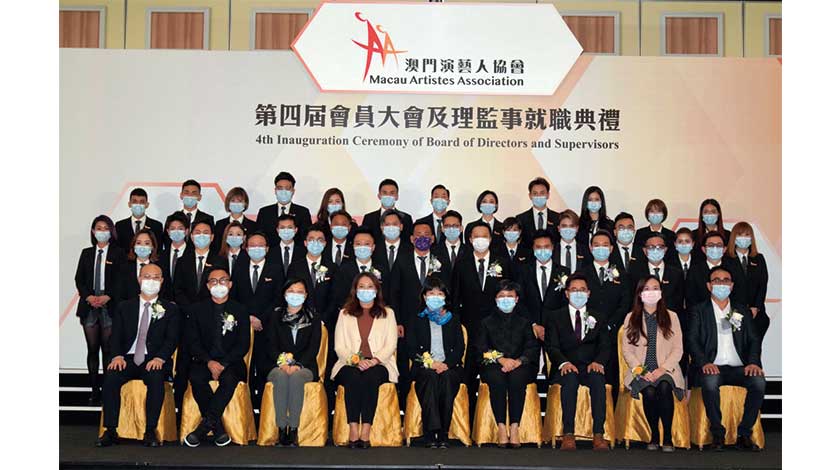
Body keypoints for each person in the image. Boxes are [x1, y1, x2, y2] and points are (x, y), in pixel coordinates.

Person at [97, 264, 180, 448]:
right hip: (127, 358)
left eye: (156, 277)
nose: (151, 281)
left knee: (156, 379)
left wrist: (160, 358)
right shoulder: (124, 306)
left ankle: (150, 430)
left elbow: (172, 339)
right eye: (147, 277)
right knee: (111, 378)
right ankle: (110, 430)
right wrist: (117, 356)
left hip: (154, 359)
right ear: (139, 279)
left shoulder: (170, 308)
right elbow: (115, 336)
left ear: (162, 281)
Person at [687, 266, 765, 452]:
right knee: (710, 381)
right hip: (711, 366)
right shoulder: (699, 310)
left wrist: (753, 362)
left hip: (739, 368)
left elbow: (754, 339)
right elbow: (692, 340)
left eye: (726, 280)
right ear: (709, 285)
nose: (721, 284)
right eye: (717, 280)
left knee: (758, 382)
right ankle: (717, 433)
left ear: (731, 285)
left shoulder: (741, 310)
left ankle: (744, 434)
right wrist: (704, 362)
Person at [183, 268, 250, 448]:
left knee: (229, 379)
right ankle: (217, 429)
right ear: (207, 286)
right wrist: (209, 362)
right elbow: (193, 342)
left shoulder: (240, 310)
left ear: (230, 284)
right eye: (213, 281)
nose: (218, 284)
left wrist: (223, 363)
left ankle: (203, 428)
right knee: (196, 378)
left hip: (231, 362)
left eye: (223, 280)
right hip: (204, 361)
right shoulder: (196, 310)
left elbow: (243, 344)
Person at [331, 272, 399, 448]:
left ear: (376, 290)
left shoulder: (388, 313)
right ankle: (353, 428)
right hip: (349, 362)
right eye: (361, 286)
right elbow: (339, 346)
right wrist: (355, 361)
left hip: (380, 363)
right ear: (355, 290)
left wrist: (374, 360)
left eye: (370, 287)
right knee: (353, 377)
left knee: (370, 377)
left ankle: (366, 430)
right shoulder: (344, 313)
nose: (366, 290)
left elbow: (391, 344)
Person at [544, 273, 610, 451]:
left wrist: (598, 362)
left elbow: (605, 346)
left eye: (582, 290)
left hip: (590, 366)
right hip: (566, 367)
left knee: (598, 380)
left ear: (588, 293)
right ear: (566, 293)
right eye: (574, 290)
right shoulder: (555, 317)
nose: (578, 293)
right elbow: (552, 346)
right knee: (570, 380)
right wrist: (564, 363)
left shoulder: (599, 317)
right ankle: (568, 434)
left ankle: (598, 434)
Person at [450, 222, 511, 414]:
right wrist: (457, 325)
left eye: (484, 236)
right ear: (470, 239)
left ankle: (492, 420)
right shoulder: (462, 264)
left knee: (494, 375)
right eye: (476, 236)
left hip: (497, 329)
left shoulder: (503, 262)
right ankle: (468, 418)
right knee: (467, 377)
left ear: (491, 239)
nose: (480, 240)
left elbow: (509, 295)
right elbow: (455, 298)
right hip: (469, 328)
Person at [621, 275, 685, 452]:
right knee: (649, 391)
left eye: (655, 288)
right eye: (647, 289)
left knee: (664, 386)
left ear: (661, 292)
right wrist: (641, 371)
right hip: (640, 370)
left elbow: (678, 349)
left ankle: (668, 436)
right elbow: (627, 351)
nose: (651, 292)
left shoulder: (672, 317)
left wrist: (662, 369)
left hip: (666, 369)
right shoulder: (631, 318)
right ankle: (654, 434)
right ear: (639, 293)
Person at [475, 280, 539, 448]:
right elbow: (481, 348)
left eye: (510, 296)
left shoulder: (524, 322)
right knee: (497, 379)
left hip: (521, 365)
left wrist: (518, 361)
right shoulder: (486, 322)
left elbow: (532, 347)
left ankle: (515, 426)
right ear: (495, 299)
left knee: (517, 379)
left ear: (516, 299)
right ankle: (501, 426)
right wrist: (500, 359)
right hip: (494, 364)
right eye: (501, 296)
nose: (506, 299)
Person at [389, 220, 444, 406]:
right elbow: (394, 293)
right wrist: (397, 321)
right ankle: (405, 403)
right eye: (418, 235)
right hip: (407, 320)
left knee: (431, 358)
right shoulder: (402, 260)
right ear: (411, 239)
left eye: (426, 234)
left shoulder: (440, 260)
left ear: (433, 238)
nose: (422, 238)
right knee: (405, 360)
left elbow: (448, 290)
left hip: (434, 320)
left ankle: (432, 401)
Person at [406, 276, 465, 448]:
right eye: (431, 293)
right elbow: (411, 348)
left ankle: (444, 433)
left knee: (446, 378)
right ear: (424, 296)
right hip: (424, 367)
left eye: (440, 294)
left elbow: (459, 348)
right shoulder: (416, 319)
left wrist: (446, 364)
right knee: (430, 377)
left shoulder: (453, 319)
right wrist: (430, 363)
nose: (435, 297)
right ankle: (431, 433)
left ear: (445, 297)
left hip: (449, 367)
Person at [172, 221, 225, 406]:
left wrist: (201, 310)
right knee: (183, 363)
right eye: (197, 232)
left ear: (212, 237)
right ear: (191, 236)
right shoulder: (183, 261)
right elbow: (177, 290)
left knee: (203, 361)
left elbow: (220, 289)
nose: (201, 235)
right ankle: (179, 406)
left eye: (206, 232)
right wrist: (191, 309)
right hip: (186, 318)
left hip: (209, 318)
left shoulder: (219, 261)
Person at [265, 278, 322, 447]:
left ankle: (294, 429)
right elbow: (270, 345)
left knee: (296, 378)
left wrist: (298, 365)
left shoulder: (313, 317)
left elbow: (313, 347)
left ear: (306, 295)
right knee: (281, 377)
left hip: (305, 366)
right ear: (284, 294)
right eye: (291, 291)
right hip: (278, 365)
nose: (295, 295)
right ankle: (282, 429)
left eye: (299, 291)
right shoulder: (275, 316)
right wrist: (282, 363)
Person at [75, 215, 124, 405]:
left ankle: (107, 390)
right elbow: (79, 279)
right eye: (99, 228)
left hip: (109, 305)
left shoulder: (118, 253)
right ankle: (94, 390)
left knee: (108, 350)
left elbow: (120, 280)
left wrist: (108, 296)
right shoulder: (86, 253)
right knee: (92, 349)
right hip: (89, 305)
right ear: (93, 231)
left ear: (111, 231)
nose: (102, 231)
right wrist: (88, 297)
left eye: (106, 228)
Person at [230, 231, 285, 395]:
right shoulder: (239, 268)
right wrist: (247, 318)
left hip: (267, 326)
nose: (256, 248)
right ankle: (244, 400)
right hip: (243, 326)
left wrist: (261, 318)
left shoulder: (276, 269)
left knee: (263, 365)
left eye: (260, 246)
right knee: (244, 366)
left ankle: (261, 401)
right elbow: (233, 298)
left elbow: (278, 298)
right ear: (246, 249)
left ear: (267, 249)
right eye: (252, 246)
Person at [577, 230, 632, 392]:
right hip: (588, 332)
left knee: (612, 376)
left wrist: (610, 324)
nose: (601, 248)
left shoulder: (621, 274)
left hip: (613, 332)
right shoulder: (581, 274)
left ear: (611, 248)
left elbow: (625, 303)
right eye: (597, 245)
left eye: (605, 245)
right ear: (590, 248)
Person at [518, 229, 571, 343]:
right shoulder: (524, 271)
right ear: (533, 248)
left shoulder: (564, 272)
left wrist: (554, 326)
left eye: (546, 246)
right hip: (530, 330)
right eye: (538, 247)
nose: (542, 250)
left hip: (556, 330)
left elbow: (566, 302)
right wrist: (533, 325)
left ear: (552, 247)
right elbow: (520, 301)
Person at [726, 222, 770, 341]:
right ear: (734, 237)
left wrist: (756, 307)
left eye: (747, 235)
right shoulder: (726, 259)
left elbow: (763, 285)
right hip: (734, 312)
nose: (743, 238)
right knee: (737, 345)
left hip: (756, 313)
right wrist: (736, 310)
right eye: (740, 235)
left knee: (755, 347)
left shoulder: (759, 259)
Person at [629, 233, 685, 319]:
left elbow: (679, 303)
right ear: (644, 250)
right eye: (651, 247)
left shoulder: (676, 273)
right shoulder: (635, 273)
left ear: (665, 249)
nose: (655, 250)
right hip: (642, 319)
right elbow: (633, 300)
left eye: (660, 247)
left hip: (669, 320)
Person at [287, 225, 337, 316]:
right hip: (301, 317)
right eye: (311, 239)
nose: (315, 243)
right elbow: (290, 294)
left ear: (325, 243)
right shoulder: (294, 267)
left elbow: (335, 297)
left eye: (320, 240)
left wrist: (324, 320)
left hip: (325, 319)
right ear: (305, 243)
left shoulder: (333, 268)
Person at [685, 231, 738, 310]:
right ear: (703, 249)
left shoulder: (734, 268)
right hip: (702, 314)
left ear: (724, 249)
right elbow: (691, 299)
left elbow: (739, 295)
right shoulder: (694, 271)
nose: (715, 248)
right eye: (711, 245)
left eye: (719, 245)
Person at [256, 171, 312, 246]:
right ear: (275, 190)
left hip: (296, 252)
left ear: (293, 191)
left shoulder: (303, 212)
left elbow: (306, 237)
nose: (283, 191)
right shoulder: (264, 212)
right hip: (271, 252)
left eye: (287, 188)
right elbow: (260, 237)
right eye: (280, 188)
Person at [361, 179, 414, 245]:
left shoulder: (406, 218)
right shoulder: (369, 218)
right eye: (385, 193)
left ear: (397, 196)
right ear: (379, 196)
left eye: (392, 193)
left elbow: (408, 242)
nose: (388, 196)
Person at [115, 229, 162, 302]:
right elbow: (118, 294)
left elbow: (164, 293)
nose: (142, 246)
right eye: (138, 243)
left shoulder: (159, 268)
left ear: (152, 246)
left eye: (147, 243)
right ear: (133, 246)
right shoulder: (123, 268)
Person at [114, 188, 164, 254]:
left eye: (142, 202)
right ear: (129, 204)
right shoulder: (120, 226)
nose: (138, 204)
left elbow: (158, 250)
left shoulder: (157, 226)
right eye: (134, 201)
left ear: (147, 204)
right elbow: (117, 250)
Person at [515, 176, 560, 247]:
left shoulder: (557, 218)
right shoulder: (521, 219)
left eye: (542, 193)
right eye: (535, 193)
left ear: (548, 195)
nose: (539, 196)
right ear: (530, 196)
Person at [211, 187, 258, 254]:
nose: (236, 204)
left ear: (245, 203)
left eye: (240, 201)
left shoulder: (253, 226)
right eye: (233, 201)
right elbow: (216, 247)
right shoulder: (220, 224)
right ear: (228, 203)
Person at [372, 209, 413, 274]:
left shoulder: (411, 249)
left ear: (401, 227)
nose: (391, 227)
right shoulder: (374, 250)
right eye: (387, 224)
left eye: (395, 224)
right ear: (382, 227)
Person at [431, 210, 466, 284]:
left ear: (461, 228)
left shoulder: (470, 251)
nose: (451, 229)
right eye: (447, 226)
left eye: (455, 226)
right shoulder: (433, 251)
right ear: (442, 229)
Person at [160, 212, 189, 299]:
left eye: (180, 228)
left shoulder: (193, 254)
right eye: (172, 228)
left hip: (187, 302)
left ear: (186, 231)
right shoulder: (161, 256)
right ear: (168, 231)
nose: (176, 231)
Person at [556, 210, 589, 274]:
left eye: (571, 226)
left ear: (577, 228)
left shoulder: (585, 250)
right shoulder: (552, 250)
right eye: (564, 226)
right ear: (558, 228)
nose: (568, 229)